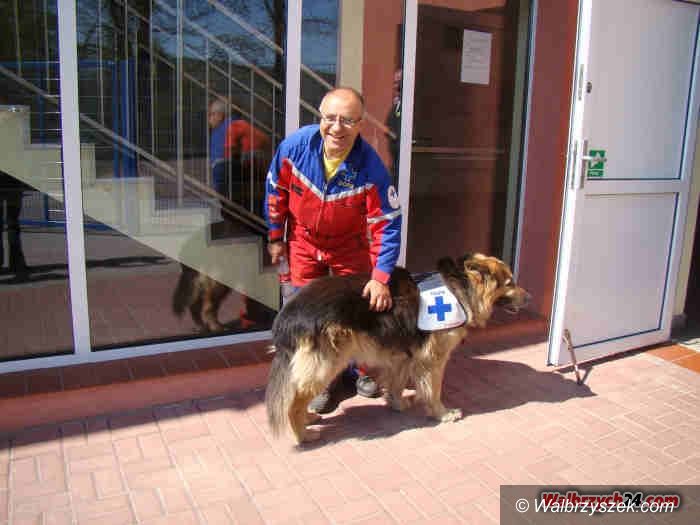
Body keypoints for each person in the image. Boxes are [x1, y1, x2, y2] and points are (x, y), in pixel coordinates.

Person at [264, 87, 402, 413]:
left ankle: (359, 370)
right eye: (330, 118)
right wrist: (275, 236)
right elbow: (275, 194)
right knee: (306, 312)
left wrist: (380, 277)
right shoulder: (294, 148)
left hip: (348, 246)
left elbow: (387, 224)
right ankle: (320, 381)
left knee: (358, 310)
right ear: (320, 118)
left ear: (360, 124)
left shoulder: (372, 168)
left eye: (348, 120)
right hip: (303, 242)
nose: (337, 128)